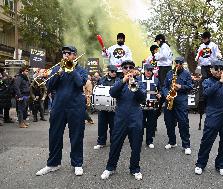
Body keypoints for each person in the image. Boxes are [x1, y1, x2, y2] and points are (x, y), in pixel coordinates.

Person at [36, 45, 88, 176]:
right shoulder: (56, 68)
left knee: (76, 135)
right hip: (58, 106)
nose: (65, 55)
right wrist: (58, 73)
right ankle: (53, 164)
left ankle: (77, 164)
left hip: (76, 106)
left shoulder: (81, 70)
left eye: (68, 53)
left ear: (74, 55)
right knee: (54, 135)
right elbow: (49, 85)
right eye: (64, 53)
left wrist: (71, 69)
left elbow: (80, 83)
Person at [100, 60, 146, 180]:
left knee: (136, 145)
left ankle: (135, 169)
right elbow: (112, 92)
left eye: (131, 67)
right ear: (122, 70)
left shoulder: (139, 82)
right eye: (125, 67)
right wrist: (124, 81)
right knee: (115, 144)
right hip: (121, 118)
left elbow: (142, 98)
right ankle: (110, 167)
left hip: (135, 118)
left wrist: (133, 85)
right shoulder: (118, 82)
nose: (128, 69)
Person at [195, 60, 223, 177]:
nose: (219, 71)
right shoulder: (206, 81)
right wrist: (220, 81)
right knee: (207, 141)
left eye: (221, 69)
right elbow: (207, 94)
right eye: (216, 69)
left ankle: (221, 165)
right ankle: (200, 164)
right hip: (213, 115)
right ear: (211, 70)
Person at [162, 57, 192, 155]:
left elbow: (190, 87)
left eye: (180, 63)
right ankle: (172, 142)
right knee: (169, 122)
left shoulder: (187, 74)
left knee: (183, 123)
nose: (178, 64)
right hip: (170, 100)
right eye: (176, 63)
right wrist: (167, 94)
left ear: (182, 64)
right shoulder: (170, 73)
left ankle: (186, 145)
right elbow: (164, 86)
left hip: (181, 101)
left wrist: (181, 87)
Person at [93, 65, 120, 149]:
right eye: (112, 72)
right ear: (108, 71)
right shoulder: (102, 80)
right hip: (102, 107)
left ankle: (114, 142)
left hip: (113, 107)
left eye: (115, 72)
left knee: (114, 126)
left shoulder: (118, 80)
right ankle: (101, 142)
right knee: (102, 125)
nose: (114, 73)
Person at [139, 63, 161, 148]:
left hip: (153, 104)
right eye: (147, 70)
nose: (149, 72)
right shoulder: (139, 79)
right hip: (141, 104)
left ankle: (149, 141)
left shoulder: (156, 80)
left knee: (151, 124)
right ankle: (139, 140)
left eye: (151, 70)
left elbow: (160, 90)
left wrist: (160, 94)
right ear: (144, 70)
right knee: (140, 123)